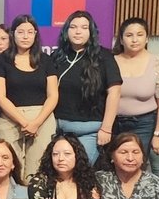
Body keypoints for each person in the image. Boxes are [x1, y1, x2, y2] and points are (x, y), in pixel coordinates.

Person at [0, 13, 58, 177]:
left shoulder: (46, 60)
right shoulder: (2, 60)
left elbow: (53, 95)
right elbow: (0, 96)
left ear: (35, 34)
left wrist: (36, 123)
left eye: (30, 32)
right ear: (13, 34)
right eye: (21, 32)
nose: (25, 36)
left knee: (37, 171)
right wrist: (24, 122)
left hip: (42, 119)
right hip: (11, 119)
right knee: (12, 169)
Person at [52, 10, 122, 164]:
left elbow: (115, 92)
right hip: (58, 129)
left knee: (79, 170)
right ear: (66, 31)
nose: (78, 31)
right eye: (73, 27)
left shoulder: (104, 57)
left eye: (84, 27)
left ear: (91, 32)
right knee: (59, 169)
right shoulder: (57, 56)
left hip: (90, 130)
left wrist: (106, 128)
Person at [111, 17, 159, 154]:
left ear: (147, 38)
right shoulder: (110, 61)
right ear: (121, 39)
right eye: (129, 35)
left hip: (144, 125)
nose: (134, 40)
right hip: (112, 123)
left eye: (139, 35)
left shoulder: (158, 62)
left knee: (136, 162)